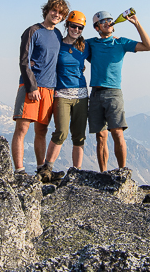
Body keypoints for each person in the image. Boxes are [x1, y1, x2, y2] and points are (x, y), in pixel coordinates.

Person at [87, 10, 150, 172]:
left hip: (113, 93)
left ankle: (122, 172)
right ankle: (103, 174)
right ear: (97, 27)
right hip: (95, 93)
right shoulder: (90, 43)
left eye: (110, 20)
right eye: (103, 22)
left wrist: (136, 23)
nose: (108, 23)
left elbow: (148, 46)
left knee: (117, 133)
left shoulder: (121, 43)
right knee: (101, 137)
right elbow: (74, 46)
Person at [11, 0, 69, 175]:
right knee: (22, 128)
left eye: (60, 13)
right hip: (31, 87)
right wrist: (32, 87)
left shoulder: (58, 34)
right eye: (54, 10)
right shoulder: (32, 31)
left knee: (41, 131)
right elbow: (24, 61)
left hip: (50, 89)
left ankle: (40, 169)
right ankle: (19, 171)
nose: (56, 14)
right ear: (47, 11)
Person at [36, 10, 90, 182]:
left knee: (79, 135)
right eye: (73, 26)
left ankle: (77, 173)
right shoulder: (58, 44)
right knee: (61, 132)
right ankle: (47, 169)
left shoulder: (85, 46)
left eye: (80, 28)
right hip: (61, 94)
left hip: (82, 95)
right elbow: (44, 55)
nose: (76, 30)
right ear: (67, 25)